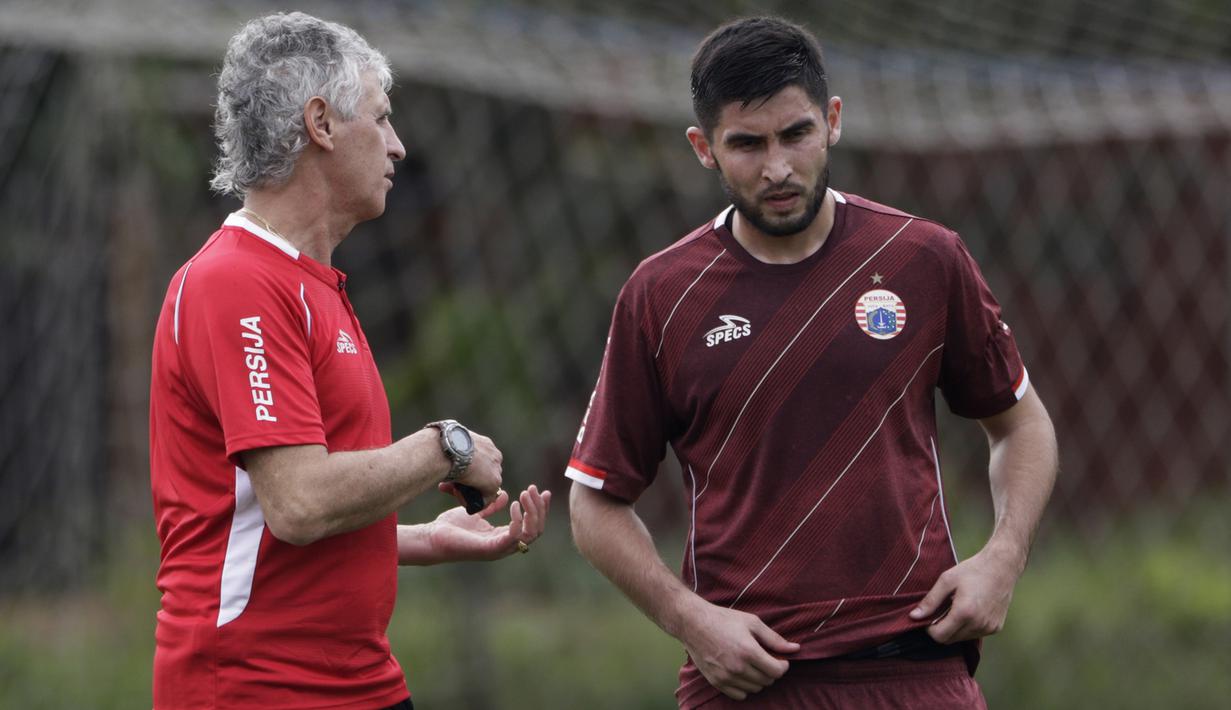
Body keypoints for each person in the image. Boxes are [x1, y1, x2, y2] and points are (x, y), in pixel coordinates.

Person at [566, 16, 1057, 709]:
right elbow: (594, 501)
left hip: (916, 667)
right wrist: (690, 621)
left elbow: (1021, 425)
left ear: (832, 121)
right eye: (747, 144)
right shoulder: (661, 293)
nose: (777, 168)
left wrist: (1004, 558)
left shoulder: (923, 258)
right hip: (749, 682)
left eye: (795, 134)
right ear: (703, 148)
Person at [148, 12, 550, 709]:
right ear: (321, 124)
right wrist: (446, 446)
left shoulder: (309, 283)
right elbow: (299, 505)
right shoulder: (237, 282)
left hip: (357, 682)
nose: (397, 145)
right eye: (382, 117)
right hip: (255, 688)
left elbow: (268, 527)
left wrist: (424, 539)